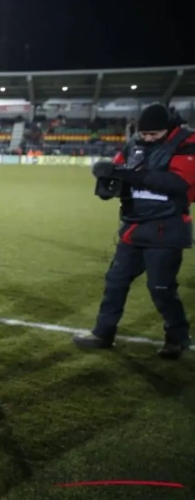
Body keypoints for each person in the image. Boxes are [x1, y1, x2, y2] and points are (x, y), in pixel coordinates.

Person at [74, 103, 195, 359]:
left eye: (154, 134)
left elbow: (178, 182)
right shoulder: (134, 144)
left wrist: (132, 175)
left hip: (166, 229)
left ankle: (177, 338)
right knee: (115, 282)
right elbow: (120, 170)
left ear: (169, 128)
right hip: (134, 228)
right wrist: (107, 175)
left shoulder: (187, 143)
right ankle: (103, 333)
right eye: (145, 134)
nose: (148, 138)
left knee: (161, 288)